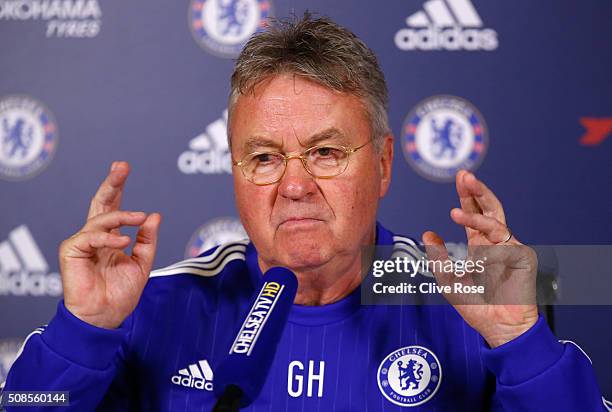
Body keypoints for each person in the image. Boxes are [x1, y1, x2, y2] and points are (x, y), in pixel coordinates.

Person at [1, 13, 607, 411]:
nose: (295, 186)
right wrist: (82, 329)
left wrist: (520, 342)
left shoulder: (466, 306)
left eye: (325, 152)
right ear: (235, 172)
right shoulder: (148, 306)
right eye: (264, 157)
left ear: (385, 163)